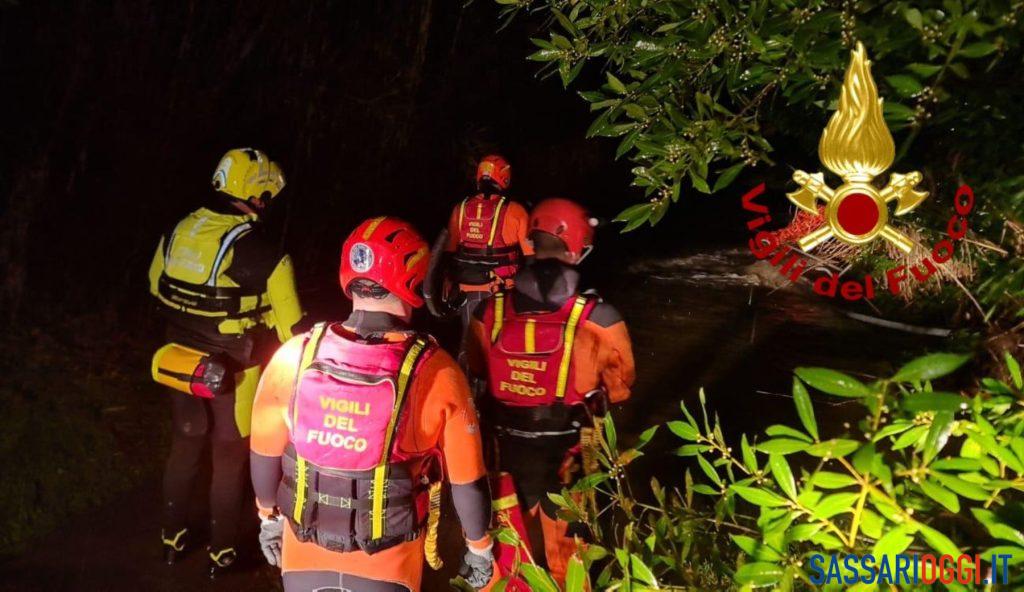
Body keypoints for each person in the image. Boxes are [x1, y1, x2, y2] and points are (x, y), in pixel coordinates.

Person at [250, 217, 494, 592]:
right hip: (388, 568)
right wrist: (480, 548)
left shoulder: (293, 356)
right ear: (416, 279)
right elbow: (468, 484)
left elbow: (263, 456)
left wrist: (268, 519)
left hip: (302, 561)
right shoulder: (437, 371)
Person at [148, 147, 303, 576]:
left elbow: (155, 287)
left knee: (183, 446)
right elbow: (294, 332)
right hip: (236, 373)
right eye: (268, 197)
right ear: (257, 196)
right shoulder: (268, 255)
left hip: (177, 362)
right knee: (229, 459)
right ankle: (222, 553)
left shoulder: (178, 231)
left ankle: (171, 541)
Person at [467, 198, 635, 586]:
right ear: (577, 247)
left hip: (503, 453)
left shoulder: (487, 313)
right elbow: (621, 389)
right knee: (571, 563)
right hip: (569, 457)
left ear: (531, 242)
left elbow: (475, 370)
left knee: (507, 563)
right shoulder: (599, 318)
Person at [443, 155, 534, 341]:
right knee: (500, 345)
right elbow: (531, 257)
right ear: (505, 178)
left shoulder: (459, 209)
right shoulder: (516, 210)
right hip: (502, 291)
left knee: (470, 344)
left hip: (465, 291)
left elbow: (448, 253)